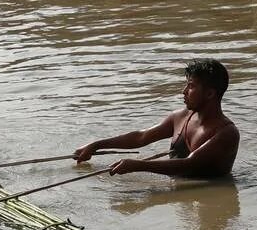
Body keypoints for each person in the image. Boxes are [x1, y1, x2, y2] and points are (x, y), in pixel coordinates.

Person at [73, 59, 239, 179]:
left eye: (191, 86)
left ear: (210, 93)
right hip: (180, 193)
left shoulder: (226, 133)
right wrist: (96, 145)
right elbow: (141, 137)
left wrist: (139, 166)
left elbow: (189, 164)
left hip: (207, 194)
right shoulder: (180, 117)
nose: (184, 91)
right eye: (186, 85)